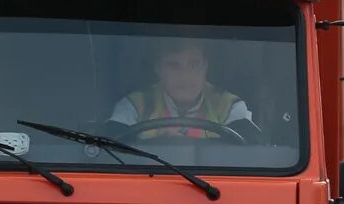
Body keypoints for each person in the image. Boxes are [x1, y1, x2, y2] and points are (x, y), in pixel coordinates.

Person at [108, 39, 257, 140]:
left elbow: (250, 151)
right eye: (174, 65)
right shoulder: (136, 105)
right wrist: (159, 145)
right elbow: (109, 147)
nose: (185, 75)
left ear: (205, 66)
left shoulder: (229, 105)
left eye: (194, 65)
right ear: (158, 69)